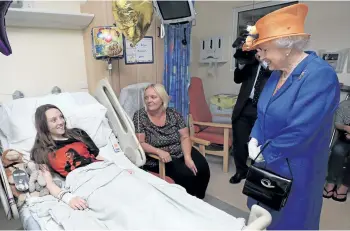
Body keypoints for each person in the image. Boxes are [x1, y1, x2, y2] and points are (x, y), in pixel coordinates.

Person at [242, 3, 340, 230]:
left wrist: (264, 152)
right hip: (267, 165)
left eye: (265, 50)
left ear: (286, 47)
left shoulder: (320, 76)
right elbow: (263, 113)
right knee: (263, 217)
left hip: (296, 170)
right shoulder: (277, 74)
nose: (261, 57)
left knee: (291, 223)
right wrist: (254, 138)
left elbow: (301, 131)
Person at [133, 83, 210, 199]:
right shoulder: (140, 116)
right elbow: (140, 143)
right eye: (146, 97)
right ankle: (186, 202)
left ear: (162, 99)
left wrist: (187, 157)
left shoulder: (173, 113)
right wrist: (158, 152)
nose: (149, 100)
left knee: (203, 168)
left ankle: (198, 199)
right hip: (158, 157)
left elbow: (184, 137)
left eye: (153, 97)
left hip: (180, 149)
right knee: (186, 175)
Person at [31, 104, 104, 210]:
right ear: (44, 125)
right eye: (54, 120)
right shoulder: (41, 151)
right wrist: (68, 198)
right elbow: (49, 183)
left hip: (102, 171)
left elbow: (98, 157)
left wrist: (117, 169)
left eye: (61, 117)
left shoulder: (78, 133)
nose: (61, 122)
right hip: (84, 182)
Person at [229, 48, 272, 184]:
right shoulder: (250, 62)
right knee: (240, 142)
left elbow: (277, 77)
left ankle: (255, 173)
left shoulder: (274, 62)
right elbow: (237, 79)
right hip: (244, 106)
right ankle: (241, 170)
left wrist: (263, 61)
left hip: (263, 109)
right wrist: (241, 63)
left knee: (258, 144)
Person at [323, 99, 350, 202]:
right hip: (345, 138)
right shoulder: (344, 105)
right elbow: (337, 123)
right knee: (338, 151)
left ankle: (345, 186)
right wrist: (346, 128)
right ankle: (330, 182)